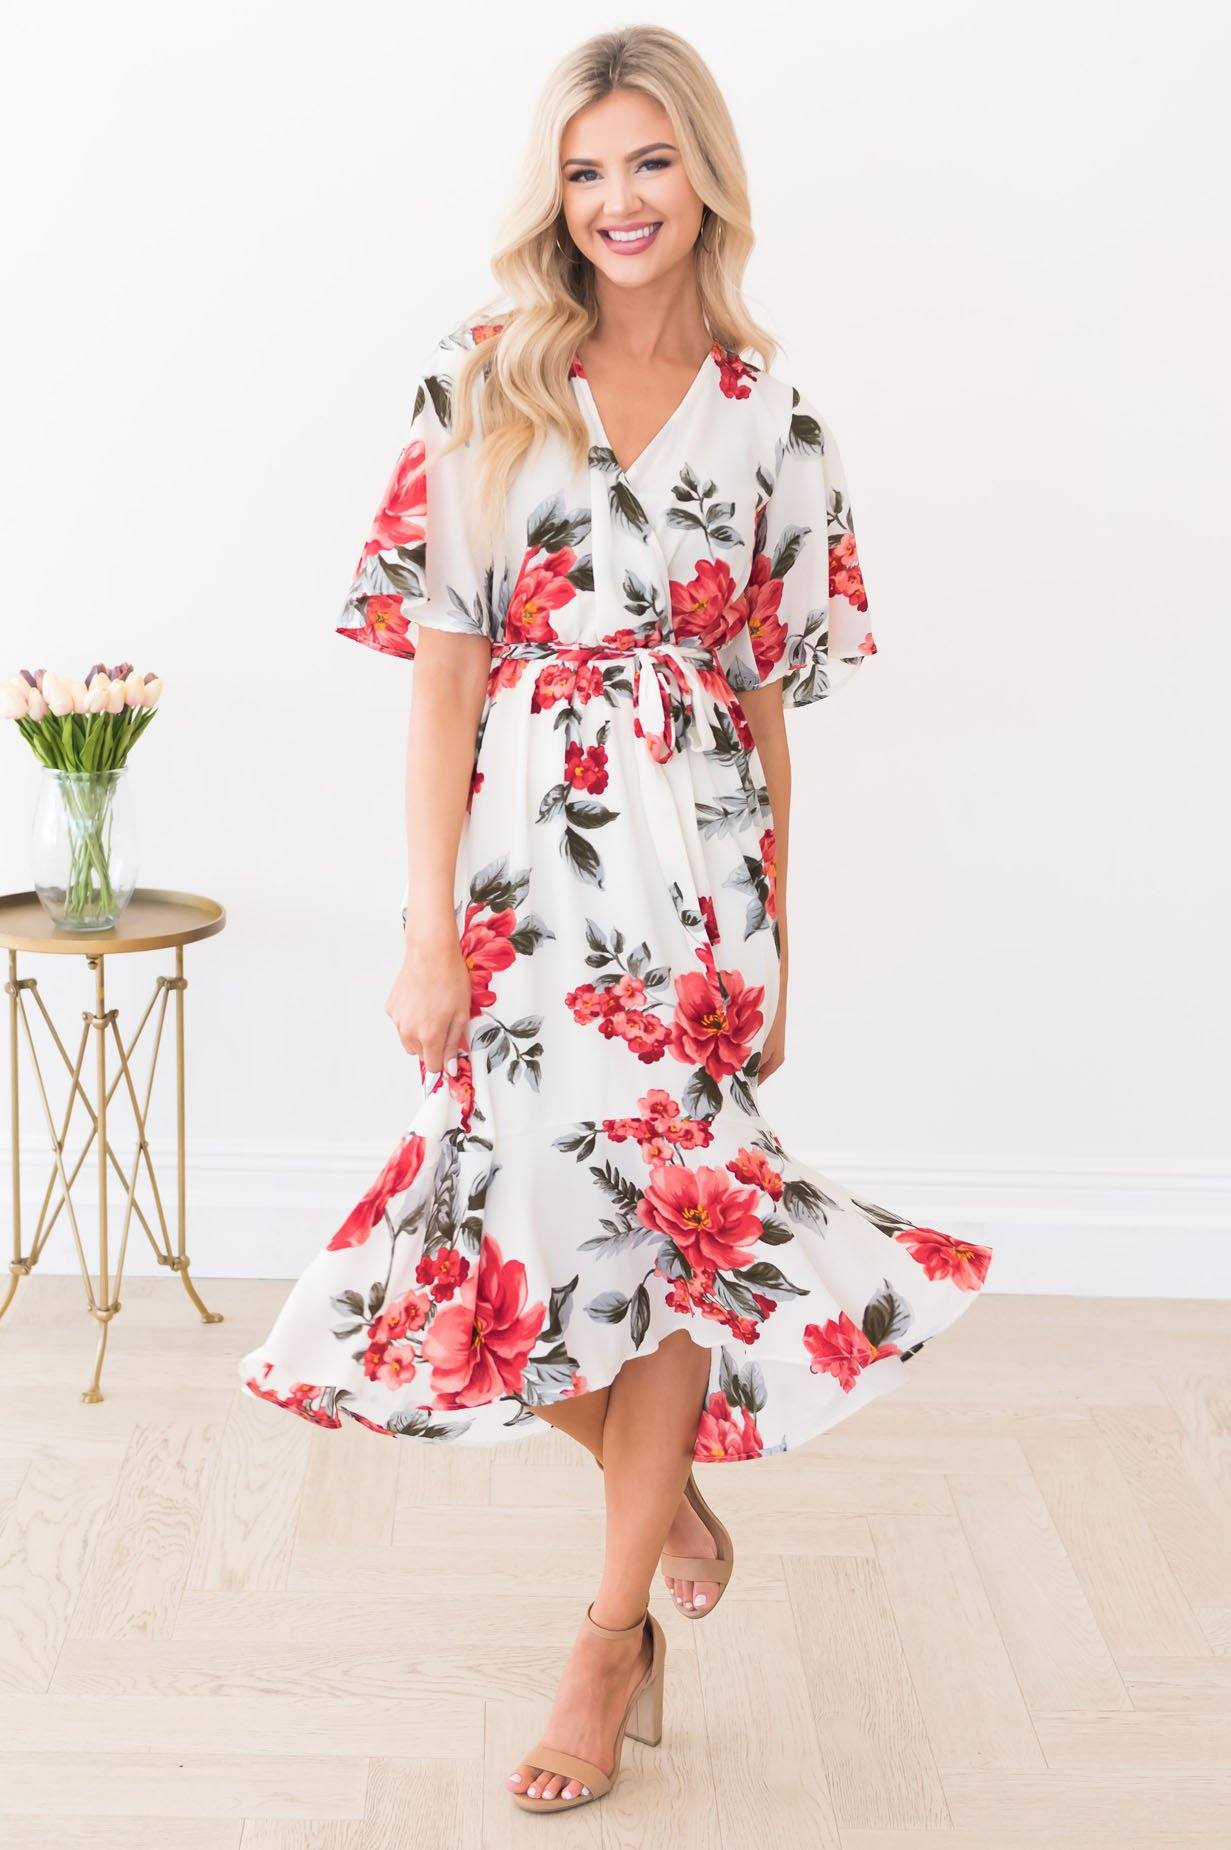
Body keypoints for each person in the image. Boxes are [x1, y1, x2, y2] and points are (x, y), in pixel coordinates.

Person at [237, 24, 994, 1816]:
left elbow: (769, 710)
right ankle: (666, 1506)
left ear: (705, 177)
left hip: (702, 891)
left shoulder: (774, 416)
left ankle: (604, 1635)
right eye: (586, 171)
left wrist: (781, 942)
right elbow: (441, 679)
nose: (619, 201)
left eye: (650, 162)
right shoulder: (481, 380)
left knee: (672, 1238)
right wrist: (428, 931)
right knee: (486, 1240)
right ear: (553, 196)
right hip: (521, 880)